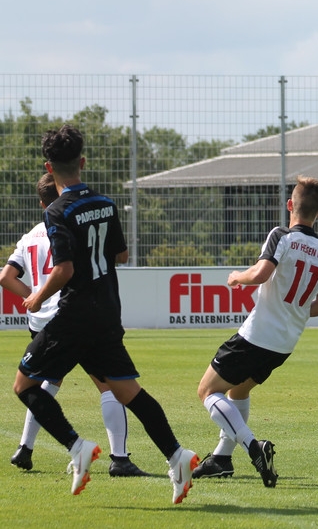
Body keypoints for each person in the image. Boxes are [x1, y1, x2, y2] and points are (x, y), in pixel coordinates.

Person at [12, 124, 198, 502]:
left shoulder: (57, 211)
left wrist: (36, 297)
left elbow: (63, 271)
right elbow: (121, 256)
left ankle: (77, 446)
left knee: (25, 385)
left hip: (76, 314)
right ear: (82, 162)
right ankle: (178, 456)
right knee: (130, 392)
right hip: (108, 309)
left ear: (48, 167)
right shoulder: (105, 204)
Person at [193, 176, 318, 488]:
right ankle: (221, 458)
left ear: (290, 205)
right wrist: (295, 310)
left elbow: (261, 274)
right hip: (284, 344)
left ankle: (253, 447)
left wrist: (237, 277)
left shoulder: (281, 236)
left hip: (257, 334)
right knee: (239, 391)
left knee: (207, 391)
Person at [3, 173, 149, 477]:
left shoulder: (30, 236)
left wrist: (33, 296)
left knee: (42, 384)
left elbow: (6, 277)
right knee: (108, 385)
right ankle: (119, 458)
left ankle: (25, 448)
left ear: (41, 203)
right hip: (73, 316)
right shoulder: (73, 227)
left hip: (39, 321)